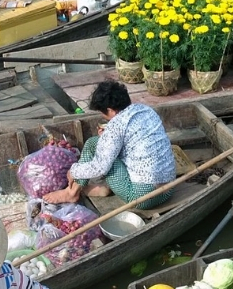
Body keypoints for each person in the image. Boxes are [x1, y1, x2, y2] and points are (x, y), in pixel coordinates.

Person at [42, 80, 176, 208]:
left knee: (93, 143)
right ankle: (101, 190)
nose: (103, 116)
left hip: (142, 198)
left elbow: (100, 167)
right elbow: (134, 142)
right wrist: (107, 138)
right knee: (106, 148)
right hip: (168, 189)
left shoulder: (116, 126)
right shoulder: (146, 110)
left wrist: (74, 171)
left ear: (110, 110)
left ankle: (71, 193)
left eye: (102, 112)